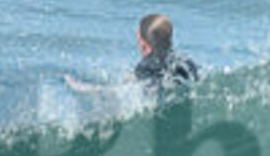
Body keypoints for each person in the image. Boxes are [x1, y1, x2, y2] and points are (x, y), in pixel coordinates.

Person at [64, 12, 199, 99]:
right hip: (180, 82)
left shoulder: (146, 65)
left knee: (120, 89)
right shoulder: (186, 61)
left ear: (141, 39)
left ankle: (86, 89)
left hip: (154, 88)